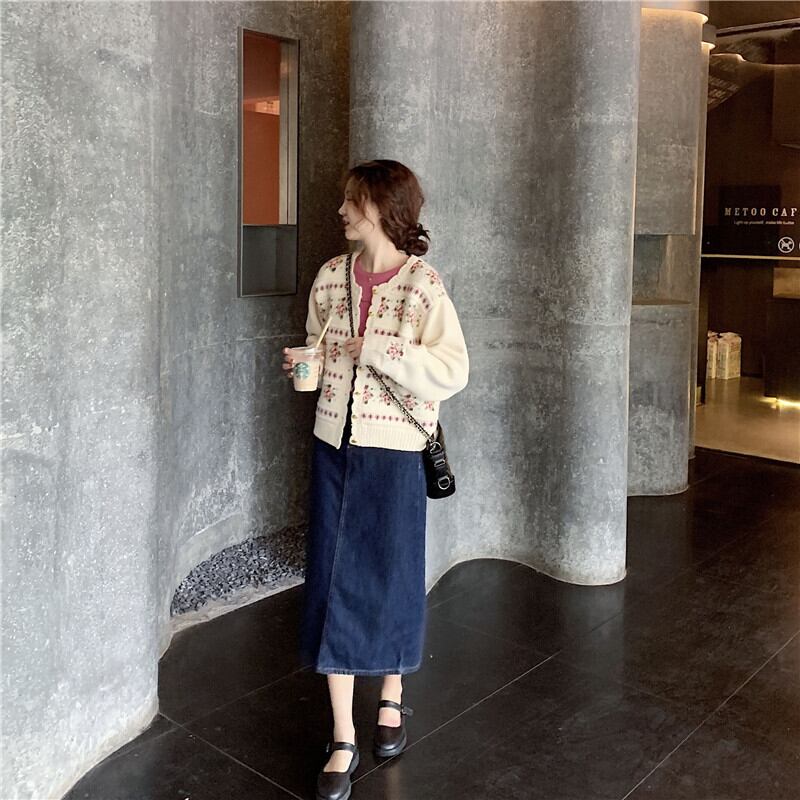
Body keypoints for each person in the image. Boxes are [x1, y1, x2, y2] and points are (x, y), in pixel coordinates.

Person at [282, 159, 469, 800]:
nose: (341, 211)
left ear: (383, 209)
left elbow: (453, 369)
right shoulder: (331, 277)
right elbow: (318, 343)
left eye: (352, 201)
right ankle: (342, 734)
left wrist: (382, 351)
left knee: (392, 575)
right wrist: (304, 365)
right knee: (332, 579)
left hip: (394, 453)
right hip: (333, 446)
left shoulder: (422, 285)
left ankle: (391, 693)